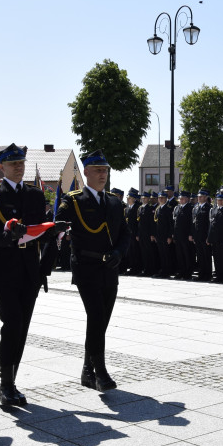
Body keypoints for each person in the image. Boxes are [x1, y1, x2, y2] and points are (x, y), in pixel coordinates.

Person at [0, 144, 61, 407]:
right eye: (13, 164)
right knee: (12, 324)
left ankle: (12, 382)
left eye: (21, 163)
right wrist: (8, 236)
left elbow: (41, 230)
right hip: (3, 268)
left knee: (22, 328)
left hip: (29, 268)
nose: (19, 167)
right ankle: (5, 384)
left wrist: (52, 236)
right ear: (1, 167)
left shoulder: (35, 195)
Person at [51, 151, 130, 392]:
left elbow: (125, 234)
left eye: (105, 170)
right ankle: (100, 371)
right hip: (86, 267)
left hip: (109, 268)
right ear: (86, 172)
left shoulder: (115, 202)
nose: (103, 174)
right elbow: (58, 224)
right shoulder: (74, 201)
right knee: (96, 316)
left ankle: (87, 370)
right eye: (98, 170)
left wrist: (118, 253)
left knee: (101, 321)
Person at [172, 191, 194, 280]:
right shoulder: (177, 208)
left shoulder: (190, 208)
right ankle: (181, 271)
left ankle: (188, 273)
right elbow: (174, 222)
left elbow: (192, 223)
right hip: (178, 235)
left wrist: (190, 234)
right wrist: (173, 234)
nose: (180, 200)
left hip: (186, 236)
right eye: (180, 198)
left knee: (187, 255)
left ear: (187, 199)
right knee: (179, 255)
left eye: (183, 198)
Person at [192, 189, 212, 281]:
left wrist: (209, 237)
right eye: (198, 197)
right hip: (198, 236)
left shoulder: (209, 208)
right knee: (200, 257)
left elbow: (209, 224)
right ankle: (201, 274)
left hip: (205, 237)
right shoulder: (196, 208)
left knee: (206, 257)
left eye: (201, 197)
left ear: (205, 197)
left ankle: (208, 275)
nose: (199, 198)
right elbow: (194, 223)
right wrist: (194, 236)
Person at [153, 191, 174, 278]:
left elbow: (170, 224)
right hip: (159, 236)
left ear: (166, 199)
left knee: (166, 254)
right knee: (161, 254)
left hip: (165, 236)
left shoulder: (168, 209)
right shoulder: (158, 209)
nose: (160, 199)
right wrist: (155, 235)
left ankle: (167, 271)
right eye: (159, 198)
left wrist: (169, 236)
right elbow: (156, 224)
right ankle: (163, 270)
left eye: (162, 198)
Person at [137, 191, 157, 276]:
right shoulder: (140, 208)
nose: (143, 199)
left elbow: (152, 223)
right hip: (141, 234)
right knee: (143, 252)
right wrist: (138, 234)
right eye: (142, 198)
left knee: (149, 253)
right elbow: (138, 223)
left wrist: (152, 234)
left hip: (148, 234)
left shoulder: (150, 208)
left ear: (148, 199)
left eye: (145, 198)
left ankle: (150, 270)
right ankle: (145, 269)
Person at [124, 188, 141, 275]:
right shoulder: (127, 208)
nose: (128, 199)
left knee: (135, 251)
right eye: (127, 198)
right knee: (130, 252)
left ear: (134, 199)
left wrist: (137, 233)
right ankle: (132, 267)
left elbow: (138, 222)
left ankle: (136, 268)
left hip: (134, 234)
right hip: (128, 234)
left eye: (129, 198)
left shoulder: (137, 208)